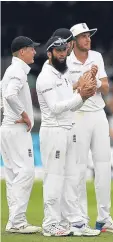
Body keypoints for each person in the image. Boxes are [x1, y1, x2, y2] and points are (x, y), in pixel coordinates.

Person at [67, 22, 113, 234]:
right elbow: (66, 89)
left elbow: (106, 86)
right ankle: (81, 218)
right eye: (83, 36)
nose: (88, 39)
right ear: (73, 41)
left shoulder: (97, 57)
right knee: (80, 168)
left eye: (89, 35)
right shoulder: (66, 60)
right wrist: (81, 83)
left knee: (103, 166)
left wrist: (94, 79)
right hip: (77, 114)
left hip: (98, 113)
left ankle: (104, 218)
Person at [36, 36, 97, 236]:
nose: (62, 54)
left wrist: (84, 97)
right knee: (53, 179)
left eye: (64, 50)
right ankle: (50, 224)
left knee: (71, 179)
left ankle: (73, 222)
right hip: (54, 131)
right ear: (49, 53)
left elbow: (71, 104)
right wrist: (80, 96)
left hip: (67, 128)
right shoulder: (46, 77)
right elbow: (54, 108)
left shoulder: (62, 75)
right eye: (58, 51)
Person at [0, 36, 41, 234]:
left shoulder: (11, 69)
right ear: (22, 51)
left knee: (13, 174)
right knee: (26, 172)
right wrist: (23, 114)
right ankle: (16, 221)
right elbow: (8, 95)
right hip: (16, 129)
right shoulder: (18, 70)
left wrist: (7, 113)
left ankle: (16, 220)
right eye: (32, 49)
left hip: (7, 127)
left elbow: (2, 93)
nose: (35, 52)